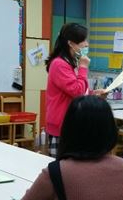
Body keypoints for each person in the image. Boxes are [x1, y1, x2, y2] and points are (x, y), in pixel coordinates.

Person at [44, 23, 105, 157]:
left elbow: (78, 90)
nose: (86, 44)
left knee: (75, 164)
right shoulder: (59, 64)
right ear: (71, 43)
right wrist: (83, 67)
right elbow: (76, 91)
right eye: (83, 40)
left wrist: (93, 94)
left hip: (73, 123)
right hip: (61, 125)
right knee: (62, 165)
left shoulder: (71, 62)